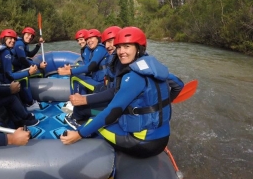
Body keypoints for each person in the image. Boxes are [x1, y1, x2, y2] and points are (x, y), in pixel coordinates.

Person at [60, 27, 184, 159]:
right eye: (119, 47)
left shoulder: (134, 77)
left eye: (127, 46)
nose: (121, 51)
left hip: (142, 143)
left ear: (138, 48)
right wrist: (162, 105)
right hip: (163, 137)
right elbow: (179, 85)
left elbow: (111, 113)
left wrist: (79, 134)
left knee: (92, 123)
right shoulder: (155, 69)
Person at [63, 26, 122, 128]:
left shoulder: (102, 50)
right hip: (108, 91)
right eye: (106, 42)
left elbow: (90, 67)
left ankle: (82, 121)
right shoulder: (114, 59)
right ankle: (77, 103)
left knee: (80, 109)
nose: (108, 46)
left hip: (120, 111)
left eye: (112, 41)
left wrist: (85, 100)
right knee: (81, 106)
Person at [0, 29, 47, 111]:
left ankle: (28, 101)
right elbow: (22, 60)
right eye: (28, 34)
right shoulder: (19, 44)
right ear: (23, 34)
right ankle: (30, 103)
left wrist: (38, 45)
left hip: (12, 71)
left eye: (31, 36)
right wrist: (37, 66)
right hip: (9, 74)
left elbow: (30, 54)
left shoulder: (23, 45)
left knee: (31, 71)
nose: (30, 37)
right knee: (25, 77)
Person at [58, 28, 109, 95]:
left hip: (102, 86)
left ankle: (77, 100)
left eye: (91, 38)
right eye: (87, 39)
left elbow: (90, 67)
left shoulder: (100, 49)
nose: (89, 41)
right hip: (98, 82)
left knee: (74, 77)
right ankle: (81, 98)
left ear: (98, 39)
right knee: (77, 75)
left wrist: (69, 71)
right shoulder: (94, 50)